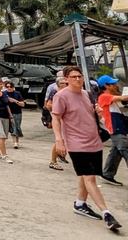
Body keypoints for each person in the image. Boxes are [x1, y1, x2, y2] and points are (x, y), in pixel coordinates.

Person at [52, 66, 121, 231]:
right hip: (77, 143)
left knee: (87, 175)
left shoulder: (87, 94)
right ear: (66, 79)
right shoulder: (61, 96)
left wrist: (97, 112)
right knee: (90, 178)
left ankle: (80, 204)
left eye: (80, 76)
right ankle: (107, 214)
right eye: (74, 77)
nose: (78, 79)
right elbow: (56, 118)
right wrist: (59, 140)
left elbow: (90, 115)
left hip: (94, 141)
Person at [97, 75, 128, 186]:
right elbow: (123, 98)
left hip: (119, 127)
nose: (115, 86)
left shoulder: (111, 98)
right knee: (125, 149)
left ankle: (108, 174)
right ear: (106, 86)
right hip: (114, 127)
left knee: (116, 152)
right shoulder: (104, 96)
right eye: (113, 84)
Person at [47, 77, 70, 170]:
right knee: (60, 139)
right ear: (59, 84)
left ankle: (61, 156)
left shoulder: (68, 93)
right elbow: (48, 105)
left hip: (67, 119)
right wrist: (60, 107)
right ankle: (53, 161)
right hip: (59, 119)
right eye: (66, 83)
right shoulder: (55, 92)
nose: (67, 85)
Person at [5, 81, 25, 148]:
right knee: (13, 127)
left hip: (17, 112)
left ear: (13, 87)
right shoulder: (4, 94)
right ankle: (15, 142)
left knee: (17, 126)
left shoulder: (17, 93)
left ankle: (17, 141)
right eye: (7, 87)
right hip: (7, 113)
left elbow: (22, 104)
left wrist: (15, 101)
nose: (9, 88)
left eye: (10, 87)